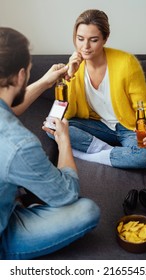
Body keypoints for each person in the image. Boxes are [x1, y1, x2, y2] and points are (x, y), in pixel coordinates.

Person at [0, 27, 100, 260]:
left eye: (93, 39)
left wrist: (45, 82)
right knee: (87, 210)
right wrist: (64, 140)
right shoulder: (20, 144)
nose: (86, 46)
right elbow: (68, 194)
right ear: (22, 75)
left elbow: (7, 108)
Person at [43, 9, 146, 169]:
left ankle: (88, 154)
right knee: (52, 126)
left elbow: (144, 106)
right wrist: (70, 76)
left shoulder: (126, 63)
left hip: (128, 126)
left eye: (94, 40)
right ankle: (109, 153)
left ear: (105, 38)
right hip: (100, 125)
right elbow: (66, 114)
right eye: (80, 39)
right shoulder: (76, 65)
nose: (85, 47)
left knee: (145, 156)